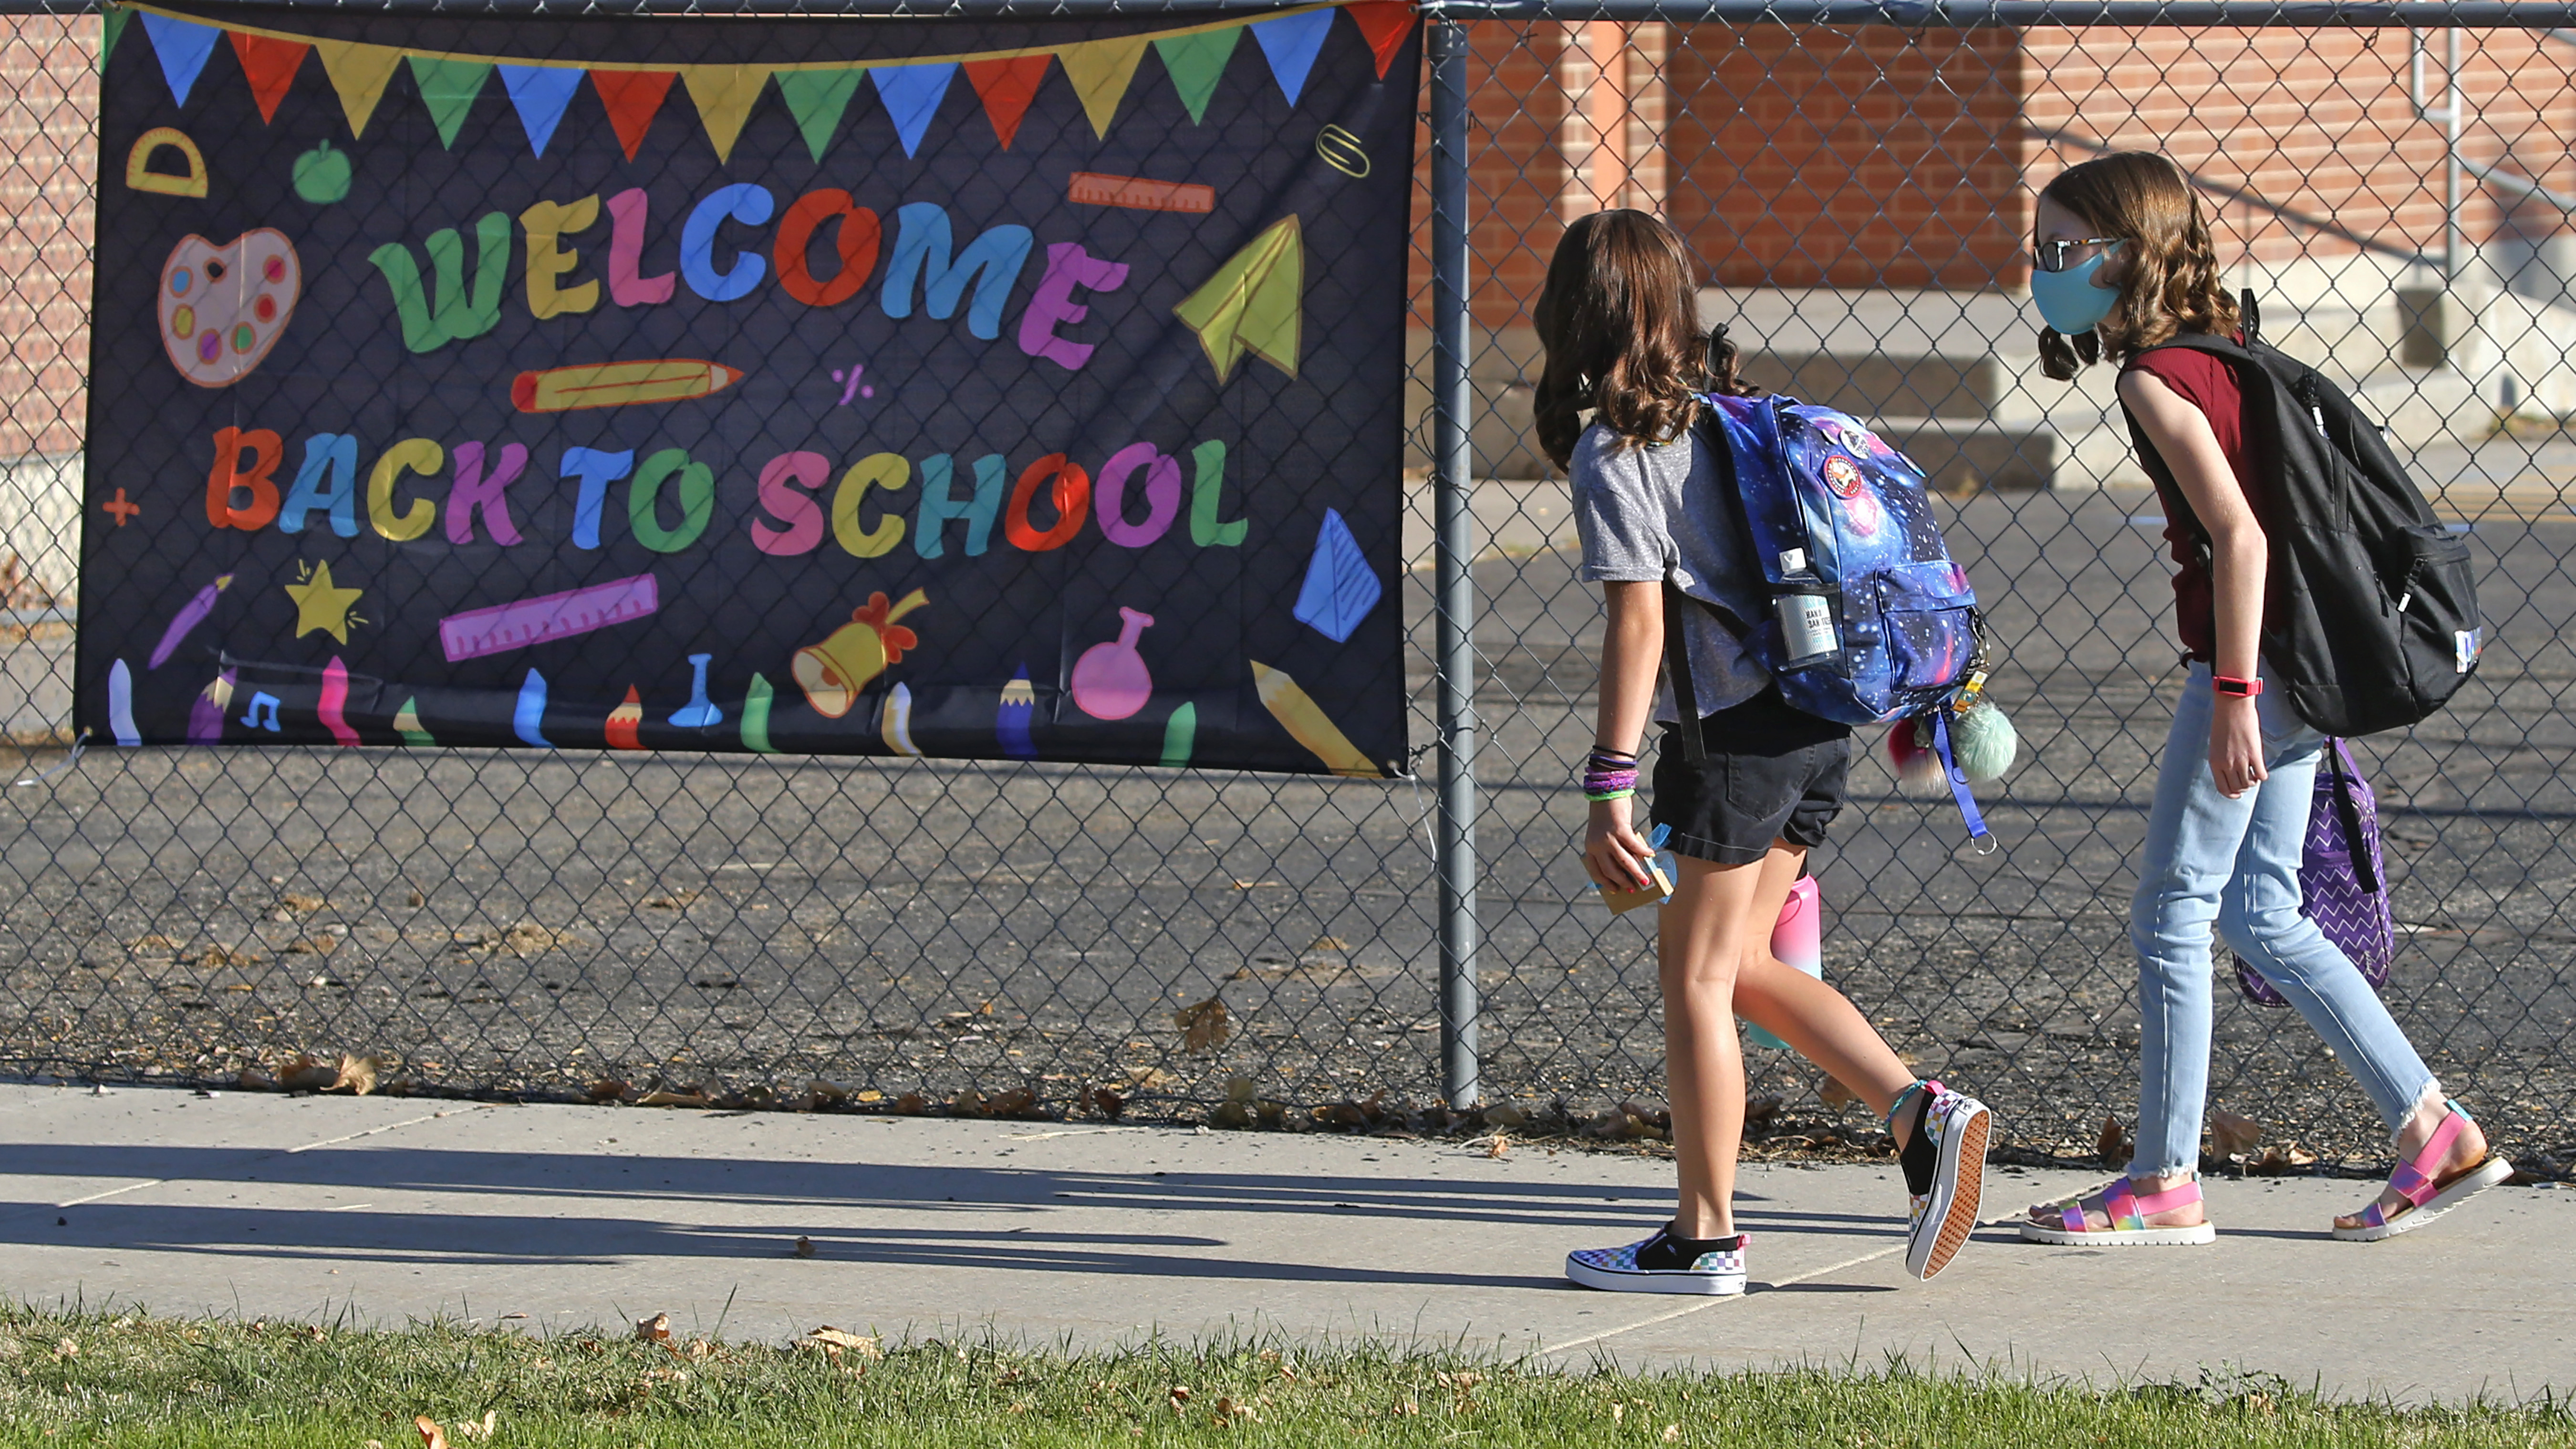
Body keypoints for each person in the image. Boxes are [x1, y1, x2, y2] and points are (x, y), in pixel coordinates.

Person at [2018, 152, 2513, 1246]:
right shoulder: (2225, 344)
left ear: (2123, 258)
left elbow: (2242, 538)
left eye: (2062, 252)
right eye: (2039, 251)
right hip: (2302, 659)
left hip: (2256, 671)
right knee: (2260, 909)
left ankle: (2162, 1182)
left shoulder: (2153, 377)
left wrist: (2236, 692)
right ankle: (2435, 1128)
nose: (2044, 270)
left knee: (2171, 914)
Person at [1540, 208, 1994, 1295]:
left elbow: (1640, 625)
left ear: (1571, 318)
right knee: (1740, 967)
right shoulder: (1722, 414)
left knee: (1694, 979)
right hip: (1812, 727)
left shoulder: (1618, 446)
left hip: (1732, 744)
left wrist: (1608, 783)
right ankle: (1920, 1114)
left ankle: (1703, 1238)